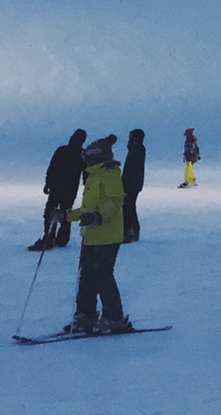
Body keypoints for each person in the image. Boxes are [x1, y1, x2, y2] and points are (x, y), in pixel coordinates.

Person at [65, 136, 131, 334]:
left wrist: (98, 217)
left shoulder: (109, 174)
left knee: (103, 276)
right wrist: (65, 216)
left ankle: (114, 317)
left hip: (107, 236)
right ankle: (85, 315)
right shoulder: (93, 176)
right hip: (91, 236)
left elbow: (115, 201)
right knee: (86, 276)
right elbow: (87, 209)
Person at [32, 129, 88, 250]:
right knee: (66, 213)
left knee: (51, 211)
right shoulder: (82, 154)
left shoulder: (62, 150)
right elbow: (86, 172)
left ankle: (49, 236)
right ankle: (62, 239)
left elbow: (52, 167)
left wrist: (48, 183)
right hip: (70, 189)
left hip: (57, 187)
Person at [122, 129, 147, 242]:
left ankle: (130, 231)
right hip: (133, 183)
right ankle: (132, 230)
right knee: (129, 206)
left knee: (128, 207)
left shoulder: (137, 149)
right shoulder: (137, 149)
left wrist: (125, 183)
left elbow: (131, 169)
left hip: (131, 184)